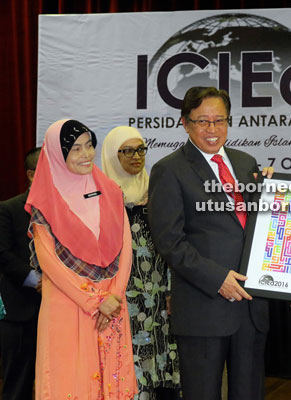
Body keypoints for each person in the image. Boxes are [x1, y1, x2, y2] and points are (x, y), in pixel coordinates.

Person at [148, 86, 271, 399]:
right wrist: (218, 279)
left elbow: (258, 228)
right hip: (204, 306)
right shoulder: (169, 170)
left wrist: (271, 191)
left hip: (251, 306)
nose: (213, 129)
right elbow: (169, 242)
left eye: (220, 120)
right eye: (203, 121)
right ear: (185, 123)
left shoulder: (246, 163)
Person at [25, 119, 137, 399]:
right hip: (69, 307)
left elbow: (125, 249)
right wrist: (94, 302)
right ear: (57, 155)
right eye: (75, 149)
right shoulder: (45, 203)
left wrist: (114, 296)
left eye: (89, 145)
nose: (86, 154)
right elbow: (50, 263)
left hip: (112, 307)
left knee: (112, 381)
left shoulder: (111, 191)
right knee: (70, 382)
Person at [101, 126, 181, 400]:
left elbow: (173, 244)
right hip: (123, 297)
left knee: (163, 362)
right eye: (128, 151)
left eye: (141, 150)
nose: (137, 157)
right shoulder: (100, 198)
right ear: (113, 155)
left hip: (159, 293)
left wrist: (172, 289)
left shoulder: (156, 191)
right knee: (131, 364)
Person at [0, 147, 42, 400]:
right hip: (20, 311)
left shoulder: (66, 211)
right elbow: (3, 254)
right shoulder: (8, 208)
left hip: (61, 311)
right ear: (30, 174)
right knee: (18, 385)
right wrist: (38, 281)